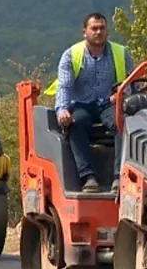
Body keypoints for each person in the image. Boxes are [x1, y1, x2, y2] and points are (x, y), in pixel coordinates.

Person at [51, 12, 135, 193]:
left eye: (102, 28)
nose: (98, 32)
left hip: (109, 104)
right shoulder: (71, 55)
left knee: (123, 123)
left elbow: (131, 82)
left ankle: (118, 178)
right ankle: (88, 177)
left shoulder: (121, 53)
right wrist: (62, 110)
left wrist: (121, 94)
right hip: (82, 104)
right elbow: (64, 86)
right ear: (85, 32)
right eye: (94, 28)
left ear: (107, 31)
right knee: (75, 123)